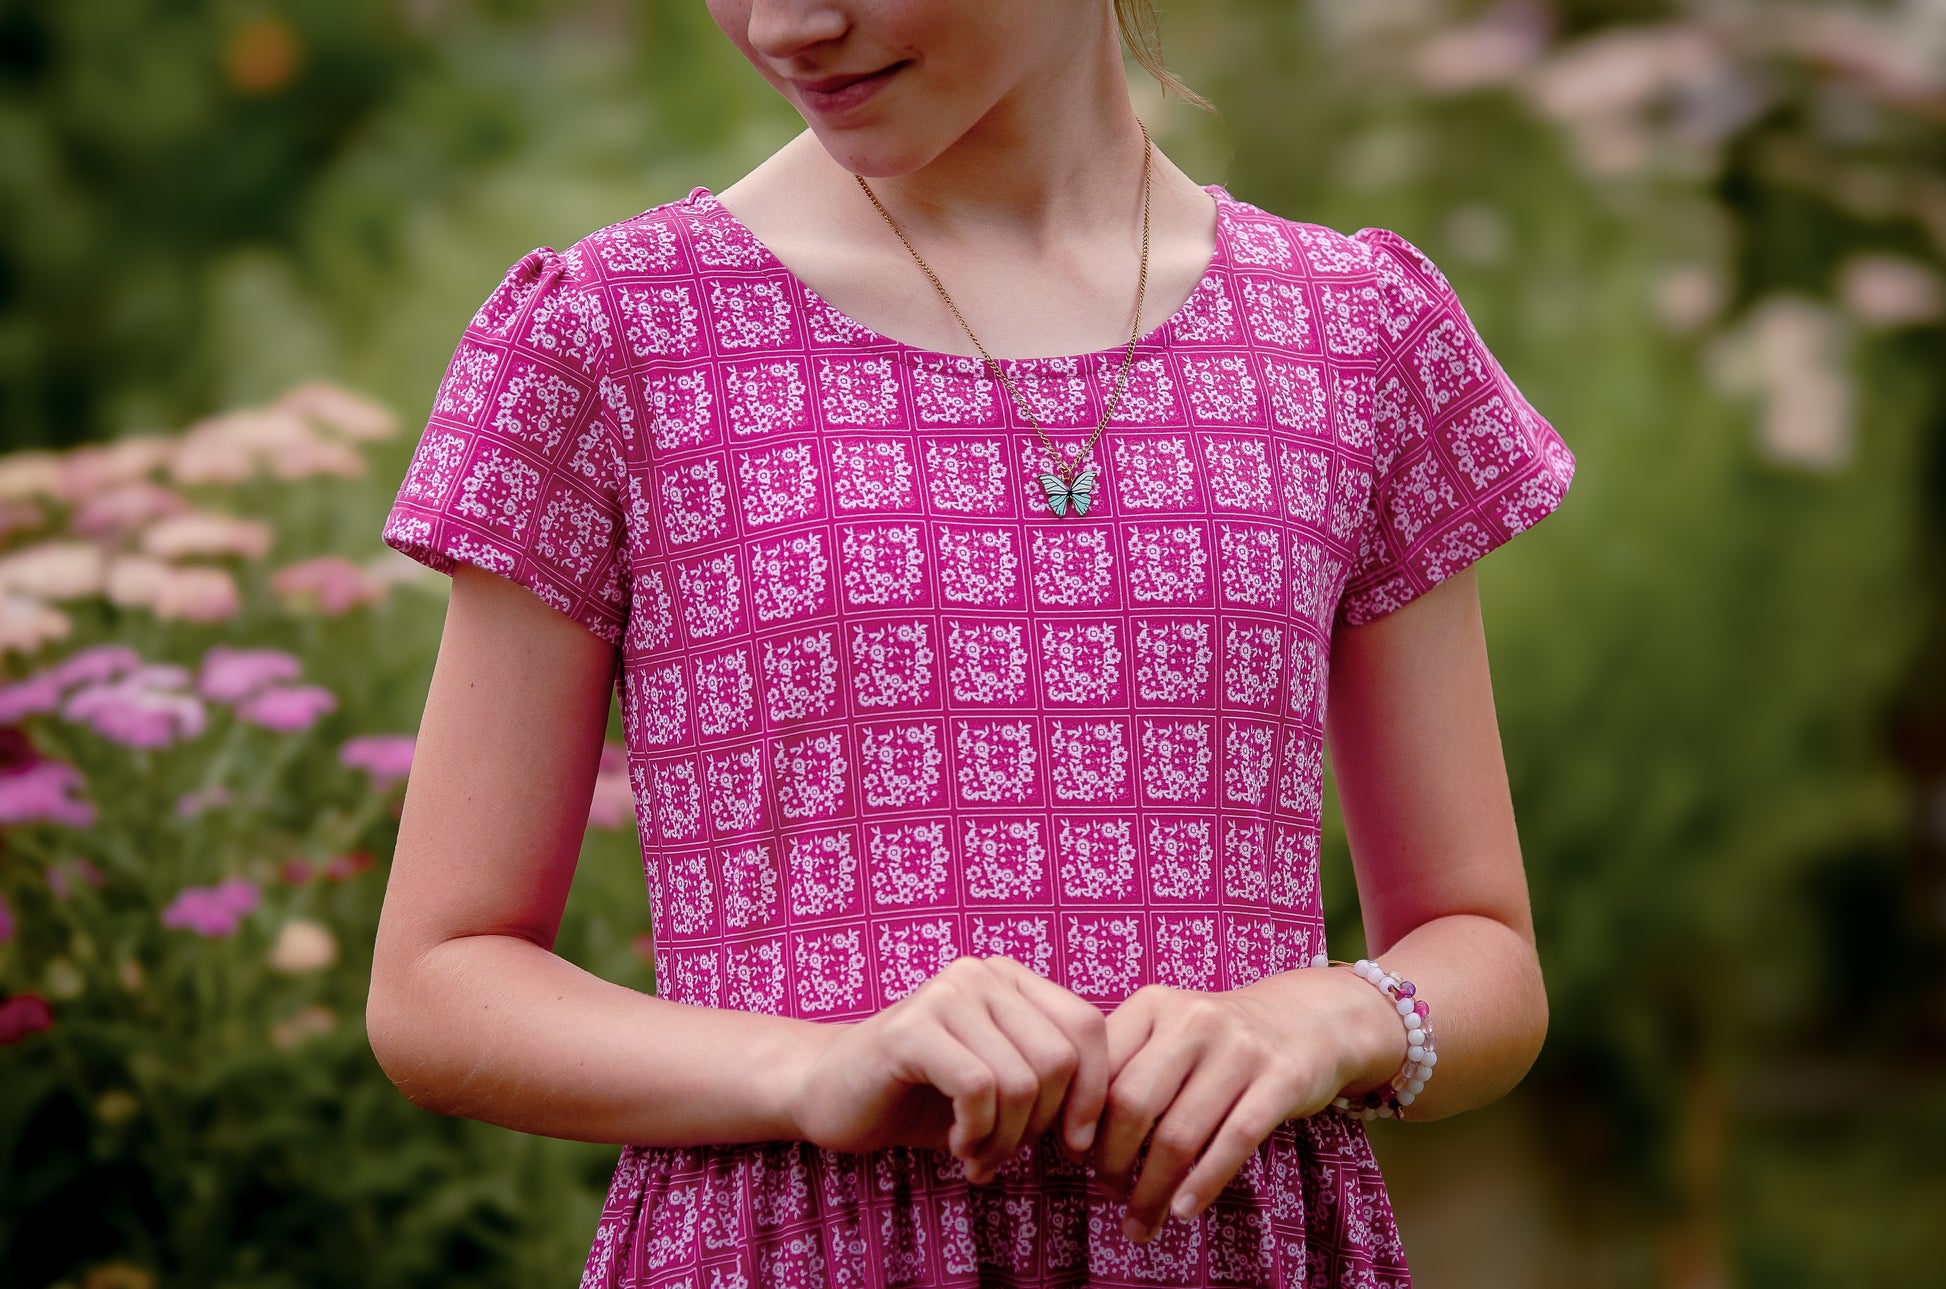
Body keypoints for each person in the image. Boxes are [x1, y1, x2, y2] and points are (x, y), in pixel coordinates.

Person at [365, 1, 1576, 1285]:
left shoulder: (1349, 333)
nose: (788, 22)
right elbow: (439, 984)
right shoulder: (615, 337)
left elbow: (1479, 949)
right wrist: (811, 1065)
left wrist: (1332, 1016)